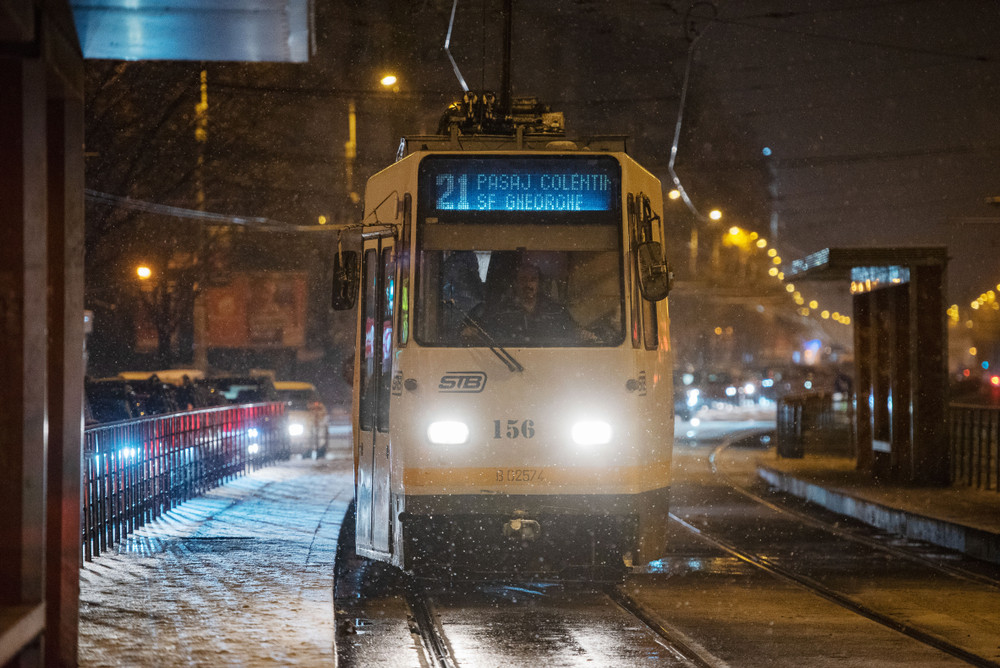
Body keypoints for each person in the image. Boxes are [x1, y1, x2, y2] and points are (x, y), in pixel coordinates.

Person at [476, 262, 593, 345]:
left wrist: (582, 334)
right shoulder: (500, 311)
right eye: (523, 279)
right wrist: (473, 332)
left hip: (551, 363)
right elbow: (484, 333)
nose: (528, 284)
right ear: (515, 283)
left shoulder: (556, 310)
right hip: (510, 363)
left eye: (533, 279)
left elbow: (571, 331)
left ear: (538, 283)